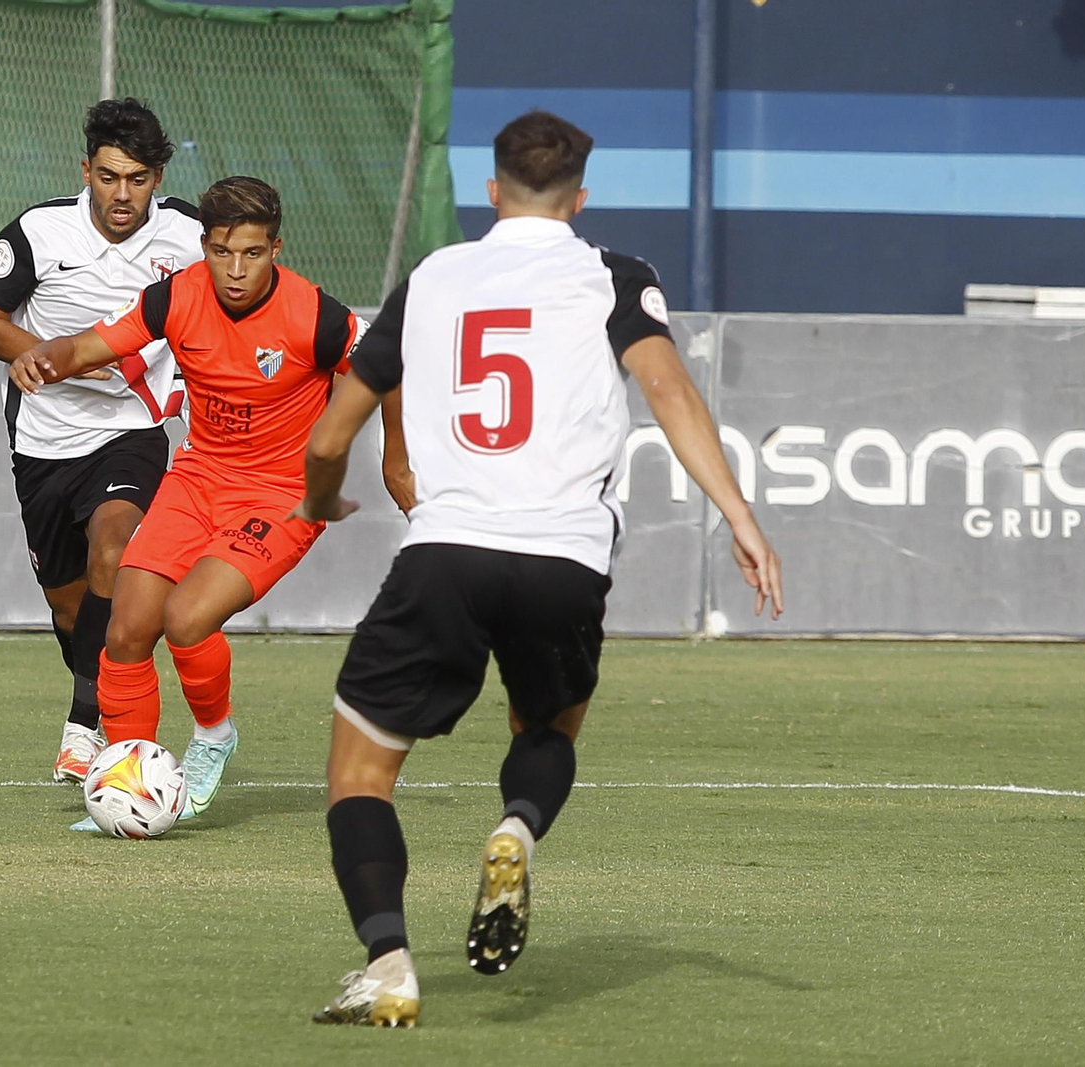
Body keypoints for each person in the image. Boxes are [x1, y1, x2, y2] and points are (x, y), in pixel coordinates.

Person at [293, 110, 784, 1028]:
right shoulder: (615, 275)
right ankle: (516, 826)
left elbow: (328, 439)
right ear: (580, 198)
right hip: (565, 557)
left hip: (447, 550)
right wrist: (740, 516)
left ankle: (389, 963)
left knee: (359, 773)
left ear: (493, 190)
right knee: (546, 726)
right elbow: (669, 388)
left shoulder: (433, 277)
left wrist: (322, 501)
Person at [9, 176, 361, 829]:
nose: (235, 270)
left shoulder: (315, 314)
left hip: (281, 495)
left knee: (187, 618)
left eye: (251, 253)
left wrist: (385, 462)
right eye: (222, 252)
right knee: (125, 628)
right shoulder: (176, 295)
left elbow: (384, 368)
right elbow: (91, 345)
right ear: (204, 247)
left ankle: (214, 735)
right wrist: (47, 357)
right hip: (198, 479)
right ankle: (126, 783)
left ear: (275, 248)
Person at [0, 98, 202, 784]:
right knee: (69, 604)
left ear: (157, 178)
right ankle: (97, 699)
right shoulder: (40, 232)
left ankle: (82, 725)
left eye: (136, 179)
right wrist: (39, 353)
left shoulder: (191, 237)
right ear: (86, 171)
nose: (121, 194)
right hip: (44, 438)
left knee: (118, 548)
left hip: (132, 428)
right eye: (108, 177)